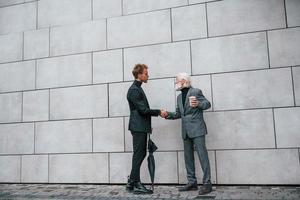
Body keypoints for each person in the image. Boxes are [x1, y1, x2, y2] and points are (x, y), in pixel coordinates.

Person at [163, 72, 212, 195]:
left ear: (184, 81)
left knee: (202, 156)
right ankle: (192, 182)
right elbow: (179, 114)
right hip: (185, 131)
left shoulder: (195, 92)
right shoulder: (179, 97)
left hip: (197, 129)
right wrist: (167, 114)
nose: (176, 83)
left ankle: (207, 183)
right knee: (188, 157)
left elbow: (207, 104)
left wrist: (198, 104)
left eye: (177, 80)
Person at [126, 64, 166, 194]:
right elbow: (143, 110)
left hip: (140, 127)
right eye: (146, 73)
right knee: (139, 154)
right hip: (138, 127)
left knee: (140, 153)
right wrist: (159, 112)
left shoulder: (137, 89)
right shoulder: (134, 90)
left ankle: (131, 182)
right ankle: (135, 182)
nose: (148, 75)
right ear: (139, 75)